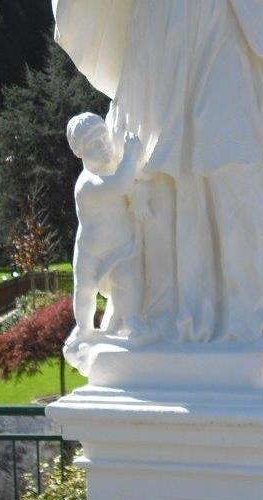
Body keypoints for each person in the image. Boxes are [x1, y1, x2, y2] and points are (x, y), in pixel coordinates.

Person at [53, 0, 263, 344]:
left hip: (221, 28)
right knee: (156, 171)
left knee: (237, 163)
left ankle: (258, 306)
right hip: (160, 34)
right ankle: (162, 312)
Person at [65, 113, 151, 345]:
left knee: (127, 281)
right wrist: (130, 155)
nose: (103, 147)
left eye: (104, 138)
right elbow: (120, 185)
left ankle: (131, 319)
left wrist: (139, 199)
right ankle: (84, 328)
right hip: (91, 252)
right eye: (94, 145)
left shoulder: (112, 170)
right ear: (80, 152)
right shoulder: (87, 183)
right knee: (85, 290)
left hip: (121, 245)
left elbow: (131, 188)